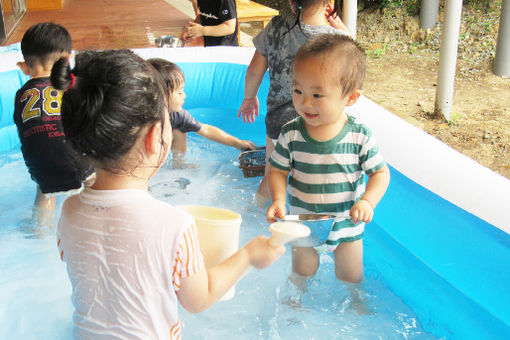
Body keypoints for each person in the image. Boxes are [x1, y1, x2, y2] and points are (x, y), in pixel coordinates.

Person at [51, 49, 285, 338]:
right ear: (154, 137)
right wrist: (250, 255)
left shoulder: (70, 210)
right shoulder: (173, 224)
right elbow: (198, 298)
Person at [266, 34, 390, 289]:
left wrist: (368, 201)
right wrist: (278, 199)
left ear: (351, 97)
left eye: (317, 95)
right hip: (304, 224)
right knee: (303, 271)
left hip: (347, 224)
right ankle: (295, 301)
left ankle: (356, 303)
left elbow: (380, 173)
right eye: (298, 90)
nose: (305, 102)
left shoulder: (359, 135)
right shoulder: (292, 133)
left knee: (351, 276)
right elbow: (277, 170)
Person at [237, 0, 350, 206]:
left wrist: (249, 97)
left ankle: (255, 214)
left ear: (291, 1)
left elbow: (254, 70)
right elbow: (351, 76)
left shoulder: (275, 27)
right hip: (316, 126)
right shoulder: (337, 41)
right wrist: (347, 35)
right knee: (311, 184)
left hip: (278, 122)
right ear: (329, 2)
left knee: (272, 175)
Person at [13, 22, 94, 227]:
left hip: (39, 168)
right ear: (68, 59)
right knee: (96, 181)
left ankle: (39, 229)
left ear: (23, 67)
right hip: (78, 165)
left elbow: (26, 131)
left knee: (44, 189)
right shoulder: (71, 86)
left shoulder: (20, 95)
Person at [148, 58, 255, 168]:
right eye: (179, 92)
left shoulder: (177, 115)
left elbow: (206, 130)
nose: (184, 96)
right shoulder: (142, 115)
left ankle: (178, 164)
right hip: (143, 152)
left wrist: (237, 143)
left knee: (180, 131)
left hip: (155, 146)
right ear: (161, 95)